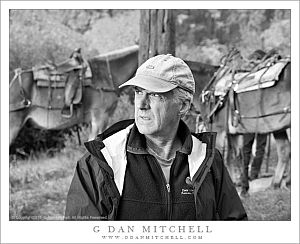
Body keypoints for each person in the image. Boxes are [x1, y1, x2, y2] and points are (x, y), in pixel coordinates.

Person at [64, 54, 247, 220]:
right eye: (138, 92)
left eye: (154, 94)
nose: (142, 104)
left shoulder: (208, 160)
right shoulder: (100, 161)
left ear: (182, 106)